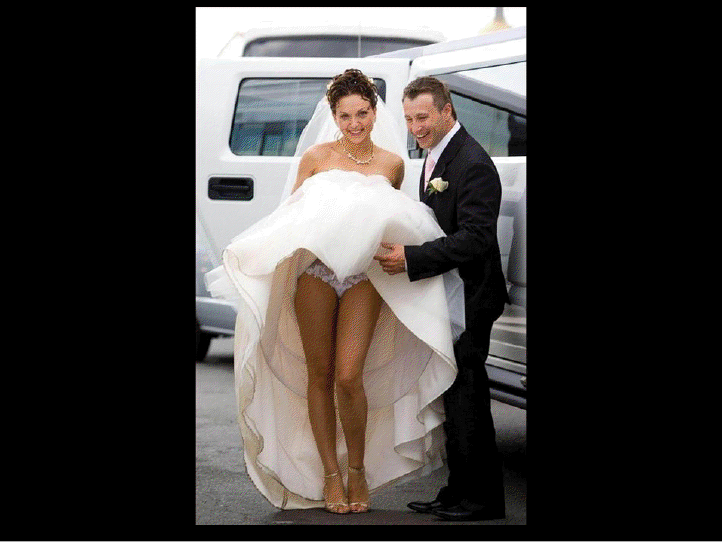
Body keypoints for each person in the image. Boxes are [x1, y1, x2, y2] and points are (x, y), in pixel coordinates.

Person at [205, 69, 465, 514]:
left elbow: (390, 220)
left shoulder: (392, 165)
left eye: (362, 113)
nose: (354, 124)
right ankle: (330, 473)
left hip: (365, 277)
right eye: (345, 116)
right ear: (334, 116)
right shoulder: (315, 157)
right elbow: (291, 218)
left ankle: (357, 469)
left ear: (374, 112)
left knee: (348, 375)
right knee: (319, 376)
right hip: (316, 274)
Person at [375, 76, 510, 521]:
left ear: (447, 111)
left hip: (471, 295)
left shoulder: (472, 162)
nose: (415, 127)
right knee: (452, 396)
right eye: (409, 118)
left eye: (423, 117)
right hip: (449, 292)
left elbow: (475, 238)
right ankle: (457, 492)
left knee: (468, 399)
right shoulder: (438, 154)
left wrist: (411, 258)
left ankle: (483, 500)